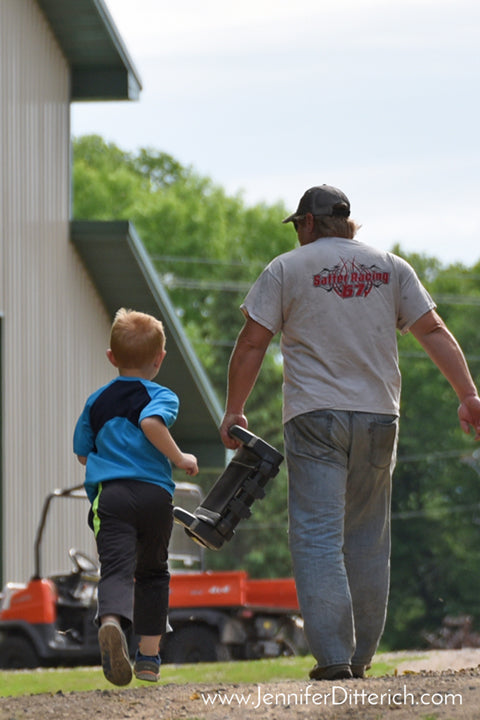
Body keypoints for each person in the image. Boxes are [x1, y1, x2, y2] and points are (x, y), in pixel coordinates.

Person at [219, 185, 480, 681]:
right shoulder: (390, 267)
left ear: (310, 224)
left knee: (317, 536)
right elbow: (433, 331)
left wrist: (235, 409)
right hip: (381, 416)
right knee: (366, 536)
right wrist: (468, 396)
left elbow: (253, 342)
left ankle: (335, 658)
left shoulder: (285, 269)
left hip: (315, 417)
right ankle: (360, 659)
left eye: (299, 224)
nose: (298, 233)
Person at [74, 307, 198, 686]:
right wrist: (179, 457)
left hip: (111, 498)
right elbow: (150, 421)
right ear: (159, 360)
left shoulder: (96, 402)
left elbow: (83, 452)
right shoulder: (162, 395)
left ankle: (111, 622)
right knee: (153, 573)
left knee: (115, 570)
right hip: (155, 497)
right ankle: (148, 658)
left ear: (112, 358)